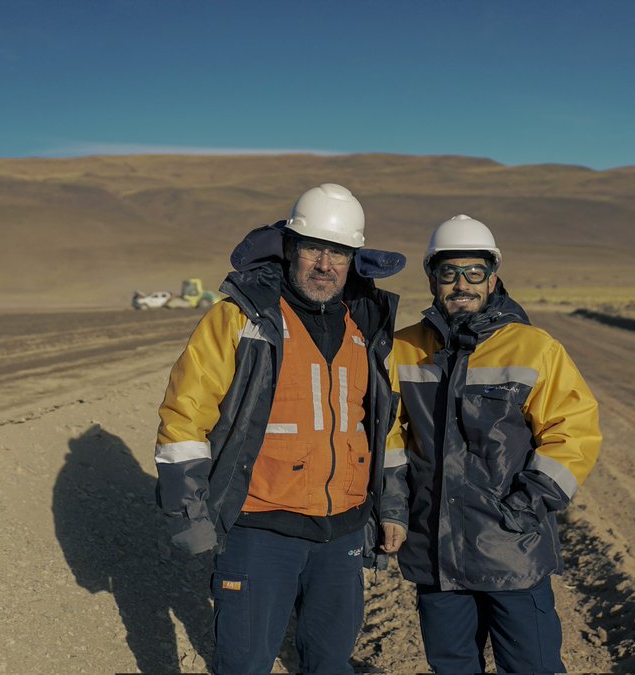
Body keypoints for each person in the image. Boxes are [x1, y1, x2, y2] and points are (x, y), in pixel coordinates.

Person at [153, 183, 408, 674]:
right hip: (259, 528)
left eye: (338, 252)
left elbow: (382, 428)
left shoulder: (367, 329)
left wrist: (392, 506)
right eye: (314, 247)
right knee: (245, 664)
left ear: (353, 258)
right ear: (290, 247)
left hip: (343, 533)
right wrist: (191, 511)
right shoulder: (242, 318)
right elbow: (185, 413)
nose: (324, 263)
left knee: (331, 663)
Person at [385, 214, 602, 673]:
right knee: (453, 668)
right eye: (449, 272)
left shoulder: (533, 348)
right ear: (432, 277)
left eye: (474, 272)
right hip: (435, 553)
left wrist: (523, 509)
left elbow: (574, 432)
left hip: (512, 553)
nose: (461, 283)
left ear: (493, 277)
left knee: (533, 667)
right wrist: (394, 509)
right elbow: (388, 437)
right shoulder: (403, 349)